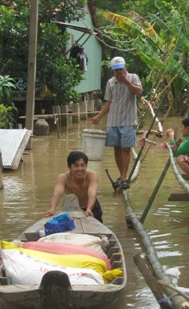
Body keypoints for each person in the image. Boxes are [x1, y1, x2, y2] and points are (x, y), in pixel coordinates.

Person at [92, 56, 143, 190]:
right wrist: (99, 116)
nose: (118, 73)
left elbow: (138, 92)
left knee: (126, 149)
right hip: (113, 120)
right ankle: (121, 175)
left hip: (128, 119)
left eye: (120, 70)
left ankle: (124, 177)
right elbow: (109, 103)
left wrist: (125, 81)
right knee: (117, 148)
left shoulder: (133, 78)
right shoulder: (111, 82)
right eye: (115, 71)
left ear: (125, 68)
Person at [45, 150, 103, 222]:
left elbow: (92, 194)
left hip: (92, 207)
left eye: (82, 165)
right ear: (69, 166)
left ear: (86, 166)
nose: (80, 169)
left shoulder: (92, 176)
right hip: (72, 208)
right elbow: (56, 195)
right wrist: (52, 208)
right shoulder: (63, 178)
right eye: (76, 166)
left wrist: (89, 208)